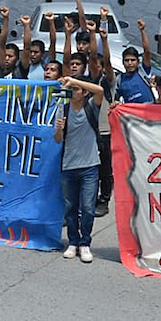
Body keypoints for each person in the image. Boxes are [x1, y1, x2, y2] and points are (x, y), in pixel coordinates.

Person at [55, 74, 105, 263]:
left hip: (90, 165)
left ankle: (85, 244)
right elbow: (58, 139)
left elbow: (99, 90)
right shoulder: (64, 108)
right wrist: (59, 129)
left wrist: (75, 81)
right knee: (71, 208)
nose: (72, 91)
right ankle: (73, 242)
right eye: (71, 88)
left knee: (88, 208)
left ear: (84, 92)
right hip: (69, 166)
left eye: (76, 89)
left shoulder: (91, 106)